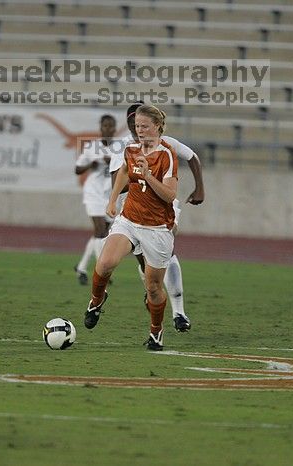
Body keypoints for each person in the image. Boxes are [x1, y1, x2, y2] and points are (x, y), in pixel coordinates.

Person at [84, 104, 178, 351]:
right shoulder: (132, 149)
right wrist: (113, 199)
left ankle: (156, 333)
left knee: (153, 287)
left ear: (157, 126)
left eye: (145, 126)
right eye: (137, 127)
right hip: (129, 220)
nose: (140, 131)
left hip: (157, 228)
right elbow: (125, 170)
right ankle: (96, 301)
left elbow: (169, 195)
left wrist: (148, 176)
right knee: (104, 264)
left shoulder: (167, 155)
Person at [109, 102, 205, 332]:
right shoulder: (124, 148)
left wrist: (200, 188)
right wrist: (140, 175)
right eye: (134, 122)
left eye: (141, 122)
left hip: (163, 212)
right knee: (147, 267)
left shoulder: (167, 144)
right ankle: (152, 293)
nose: (137, 127)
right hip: (132, 216)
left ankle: (179, 312)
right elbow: (117, 182)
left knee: (167, 253)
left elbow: (192, 157)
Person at [74, 114, 117, 285]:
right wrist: (90, 165)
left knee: (101, 234)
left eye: (111, 126)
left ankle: (82, 267)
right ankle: (102, 272)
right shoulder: (92, 147)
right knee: (100, 231)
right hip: (93, 193)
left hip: (109, 195)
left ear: (115, 128)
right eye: (105, 125)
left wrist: (112, 160)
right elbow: (77, 169)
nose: (107, 128)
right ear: (100, 128)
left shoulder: (120, 148)